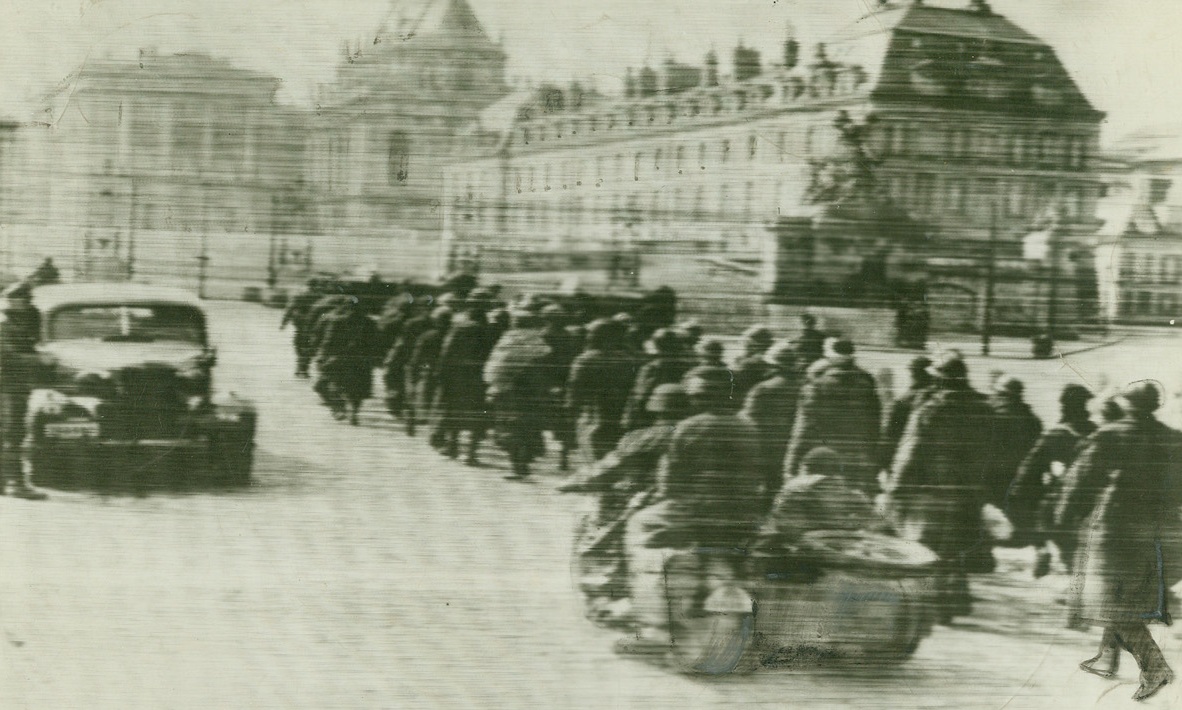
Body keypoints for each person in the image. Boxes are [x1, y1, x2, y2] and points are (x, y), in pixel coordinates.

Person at [618, 367, 763, 653]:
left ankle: (653, 626)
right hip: (743, 514)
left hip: (695, 512)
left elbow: (669, 482)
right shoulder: (749, 426)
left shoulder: (688, 427)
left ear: (696, 399)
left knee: (638, 526)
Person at [1055, 381, 1182, 701]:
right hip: (1164, 531)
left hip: (1119, 531)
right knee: (1126, 597)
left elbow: (1082, 479)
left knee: (1113, 602)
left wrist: (1064, 514)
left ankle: (1154, 667)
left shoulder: (1111, 435)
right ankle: (1107, 658)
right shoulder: (1174, 439)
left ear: (1127, 404)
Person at [562, 384, 691, 620]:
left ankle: (603, 591)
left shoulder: (643, 437)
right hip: (686, 502)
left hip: (643, 499)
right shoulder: (693, 434)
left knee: (600, 539)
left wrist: (576, 482)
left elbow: (608, 469)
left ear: (654, 407)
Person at [889, 353, 994, 624]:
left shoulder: (931, 409)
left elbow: (912, 449)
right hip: (970, 487)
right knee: (956, 545)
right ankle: (951, 603)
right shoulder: (984, 407)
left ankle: (927, 604)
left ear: (939, 379)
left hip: (934, 486)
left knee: (929, 546)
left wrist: (896, 486)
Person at [1006, 384, 1096, 578]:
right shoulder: (1098, 432)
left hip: (1063, 503)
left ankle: (1041, 548)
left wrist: (1020, 492)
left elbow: (1029, 469)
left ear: (1063, 406)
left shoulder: (1055, 434)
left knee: (1041, 513)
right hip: (1095, 501)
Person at [782, 338, 881, 494]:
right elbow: (875, 428)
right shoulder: (867, 382)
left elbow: (803, 430)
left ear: (829, 358)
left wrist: (790, 467)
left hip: (824, 460)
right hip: (858, 459)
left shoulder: (817, 384)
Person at [484, 309, 552, 480]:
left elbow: (494, 370)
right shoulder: (540, 345)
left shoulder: (508, 342)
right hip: (533, 393)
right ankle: (524, 464)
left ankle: (518, 467)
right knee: (529, 428)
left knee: (510, 430)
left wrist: (493, 387)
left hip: (509, 392)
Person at [429, 295, 495, 464]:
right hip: (480, 377)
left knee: (454, 410)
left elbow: (447, 351)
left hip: (457, 376)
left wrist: (440, 373)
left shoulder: (460, 326)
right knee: (478, 413)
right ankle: (471, 453)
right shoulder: (490, 328)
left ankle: (452, 446)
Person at [0, 282, 48, 499]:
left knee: (10, 433)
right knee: (13, 434)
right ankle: (17, 484)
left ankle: (4, 483)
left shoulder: (26, 320)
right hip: (7, 385)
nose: (27, 302)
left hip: (18, 385)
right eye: (23, 299)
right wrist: (38, 358)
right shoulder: (5, 325)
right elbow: (9, 356)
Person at [567, 319, 637, 467]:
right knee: (612, 455)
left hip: (591, 416)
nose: (588, 336)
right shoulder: (627, 359)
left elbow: (575, 388)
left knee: (592, 456)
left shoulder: (584, 360)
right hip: (617, 417)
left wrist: (571, 408)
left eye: (591, 333)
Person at [739, 340, 800, 508]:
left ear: (773, 365)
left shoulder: (762, 389)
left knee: (767, 491)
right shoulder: (804, 388)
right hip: (791, 447)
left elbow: (747, 421)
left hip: (765, 448)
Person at [314, 297, 380, 425]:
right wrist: (374, 360)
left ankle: (339, 408)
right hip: (362, 362)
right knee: (357, 389)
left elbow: (328, 341)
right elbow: (377, 344)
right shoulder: (370, 323)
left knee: (322, 385)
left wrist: (321, 358)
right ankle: (353, 410)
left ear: (346, 307)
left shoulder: (337, 321)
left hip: (339, 359)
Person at [984, 377, 1044, 509]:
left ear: (1003, 396)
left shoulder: (996, 419)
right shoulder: (1033, 420)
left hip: (998, 480)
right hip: (1026, 482)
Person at [621, 328, 691, 433]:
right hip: (678, 420)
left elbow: (640, 398)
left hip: (653, 420)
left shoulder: (651, 368)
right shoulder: (687, 367)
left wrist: (630, 422)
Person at [406, 307, 453, 440]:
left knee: (422, 398)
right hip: (443, 373)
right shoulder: (451, 334)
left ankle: (413, 418)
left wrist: (417, 370)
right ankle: (436, 432)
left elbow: (417, 357)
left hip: (429, 371)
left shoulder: (428, 335)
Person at [879, 356, 933, 470]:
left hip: (909, 449)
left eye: (912, 371)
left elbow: (892, 431)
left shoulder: (910, 397)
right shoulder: (933, 392)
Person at [280, 284, 322, 378]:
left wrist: (284, 323)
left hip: (301, 324)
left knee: (299, 345)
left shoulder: (300, 295)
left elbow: (290, 309)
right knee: (309, 346)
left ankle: (300, 367)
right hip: (312, 326)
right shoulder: (320, 297)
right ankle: (303, 368)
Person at [730, 325, 776, 404]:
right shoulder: (769, 365)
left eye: (746, 342)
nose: (744, 345)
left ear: (754, 345)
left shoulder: (750, 364)